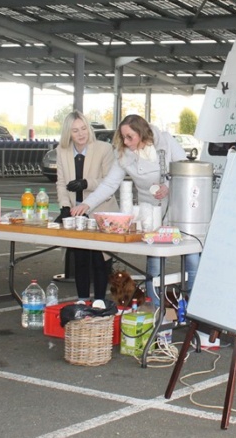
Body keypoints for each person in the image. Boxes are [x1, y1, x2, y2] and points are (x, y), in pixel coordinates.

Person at [71, 114, 191, 303]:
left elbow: (185, 170)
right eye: (123, 137)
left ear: (142, 134)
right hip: (149, 210)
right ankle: (155, 309)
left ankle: (194, 305)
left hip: (178, 207)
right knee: (154, 261)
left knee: (191, 257)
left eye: (130, 137)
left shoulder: (166, 142)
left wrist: (168, 186)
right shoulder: (124, 153)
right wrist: (88, 204)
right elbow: (110, 183)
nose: (126, 142)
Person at [55, 112, 120, 301]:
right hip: (76, 214)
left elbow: (109, 181)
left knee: (100, 261)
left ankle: (100, 301)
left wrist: (86, 183)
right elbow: (60, 182)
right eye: (75, 131)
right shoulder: (62, 150)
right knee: (81, 260)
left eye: (84, 128)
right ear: (68, 133)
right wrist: (64, 207)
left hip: (100, 211)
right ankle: (82, 301)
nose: (81, 134)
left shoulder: (104, 149)